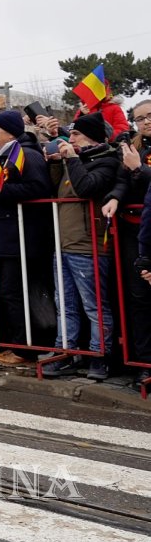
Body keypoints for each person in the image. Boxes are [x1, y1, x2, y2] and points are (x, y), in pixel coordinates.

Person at [41, 113, 120, 380]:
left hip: (89, 246)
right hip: (64, 244)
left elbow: (86, 188)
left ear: (91, 137)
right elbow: (53, 189)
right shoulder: (73, 162)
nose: (69, 138)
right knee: (66, 305)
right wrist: (55, 163)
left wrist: (72, 159)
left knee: (94, 306)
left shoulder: (107, 162)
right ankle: (66, 353)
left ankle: (100, 356)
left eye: (75, 135)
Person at [0, 110, 52, 368]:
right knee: (11, 291)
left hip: (23, 237)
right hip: (9, 235)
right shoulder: (6, 155)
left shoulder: (26, 155)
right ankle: (21, 344)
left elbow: (38, 188)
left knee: (14, 292)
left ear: (9, 131)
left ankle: (25, 350)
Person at [102, 98, 151, 386]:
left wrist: (139, 170)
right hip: (135, 231)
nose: (145, 122)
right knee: (138, 298)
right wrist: (115, 197)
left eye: (149, 116)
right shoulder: (133, 147)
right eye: (140, 118)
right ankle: (145, 362)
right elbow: (122, 180)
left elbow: (138, 175)